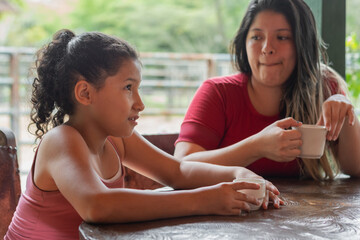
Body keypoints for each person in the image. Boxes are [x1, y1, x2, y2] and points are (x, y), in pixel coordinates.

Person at [5, 29, 282, 240]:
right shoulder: (61, 141)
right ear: (85, 93)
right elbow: (97, 205)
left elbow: (179, 171)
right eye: (128, 88)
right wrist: (206, 199)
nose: (140, 103)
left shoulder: (117, 139)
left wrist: (238, 175)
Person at [174, 0, 360, 180]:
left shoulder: (323, 88)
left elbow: (356, 168)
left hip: (303, 211)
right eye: (256, 37)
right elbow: (181, 166)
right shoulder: (217, 93)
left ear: (302, 45)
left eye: (282, 37)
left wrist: (345, 113)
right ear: (243, 44)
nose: (267, 48)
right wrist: (257, 147)